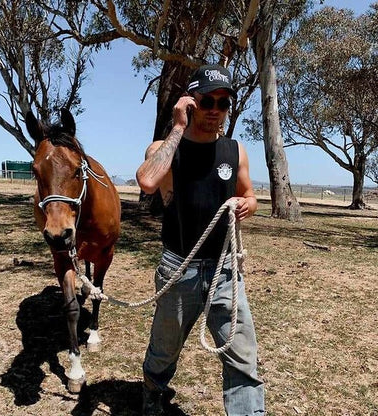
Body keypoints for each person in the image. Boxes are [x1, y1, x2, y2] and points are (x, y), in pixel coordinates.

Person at [136, 63, 265, 416]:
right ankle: (152, 390)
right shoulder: (164, 148)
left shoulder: (234, 151)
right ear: (191, 103)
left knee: (242, 356)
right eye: (207, 101)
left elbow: (252, 194)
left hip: (225, 272)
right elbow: (147, 182)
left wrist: (246, 205)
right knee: (165, 348)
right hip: (179, 269)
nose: (214, 110)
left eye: (222, 103)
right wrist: (178, 128)